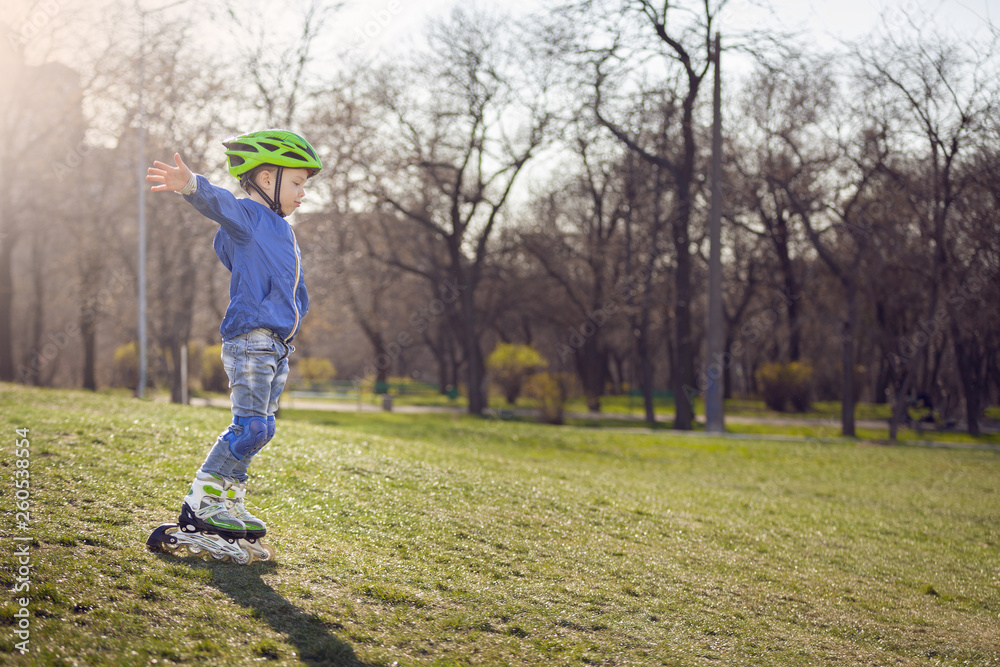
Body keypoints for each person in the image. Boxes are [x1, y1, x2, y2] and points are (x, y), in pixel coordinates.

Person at [146, 130, 321, 561]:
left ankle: (228, 500)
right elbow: (219, 206)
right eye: (297, 183)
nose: (302, 194)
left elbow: (285, 281)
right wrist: (190, 184)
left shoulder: (279, 230)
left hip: (277, 344)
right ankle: (201, 500)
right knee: (251, 427)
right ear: (266, 177)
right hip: (251, 339)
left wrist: (297, 307)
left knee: (264, 429)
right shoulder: (248, 216)